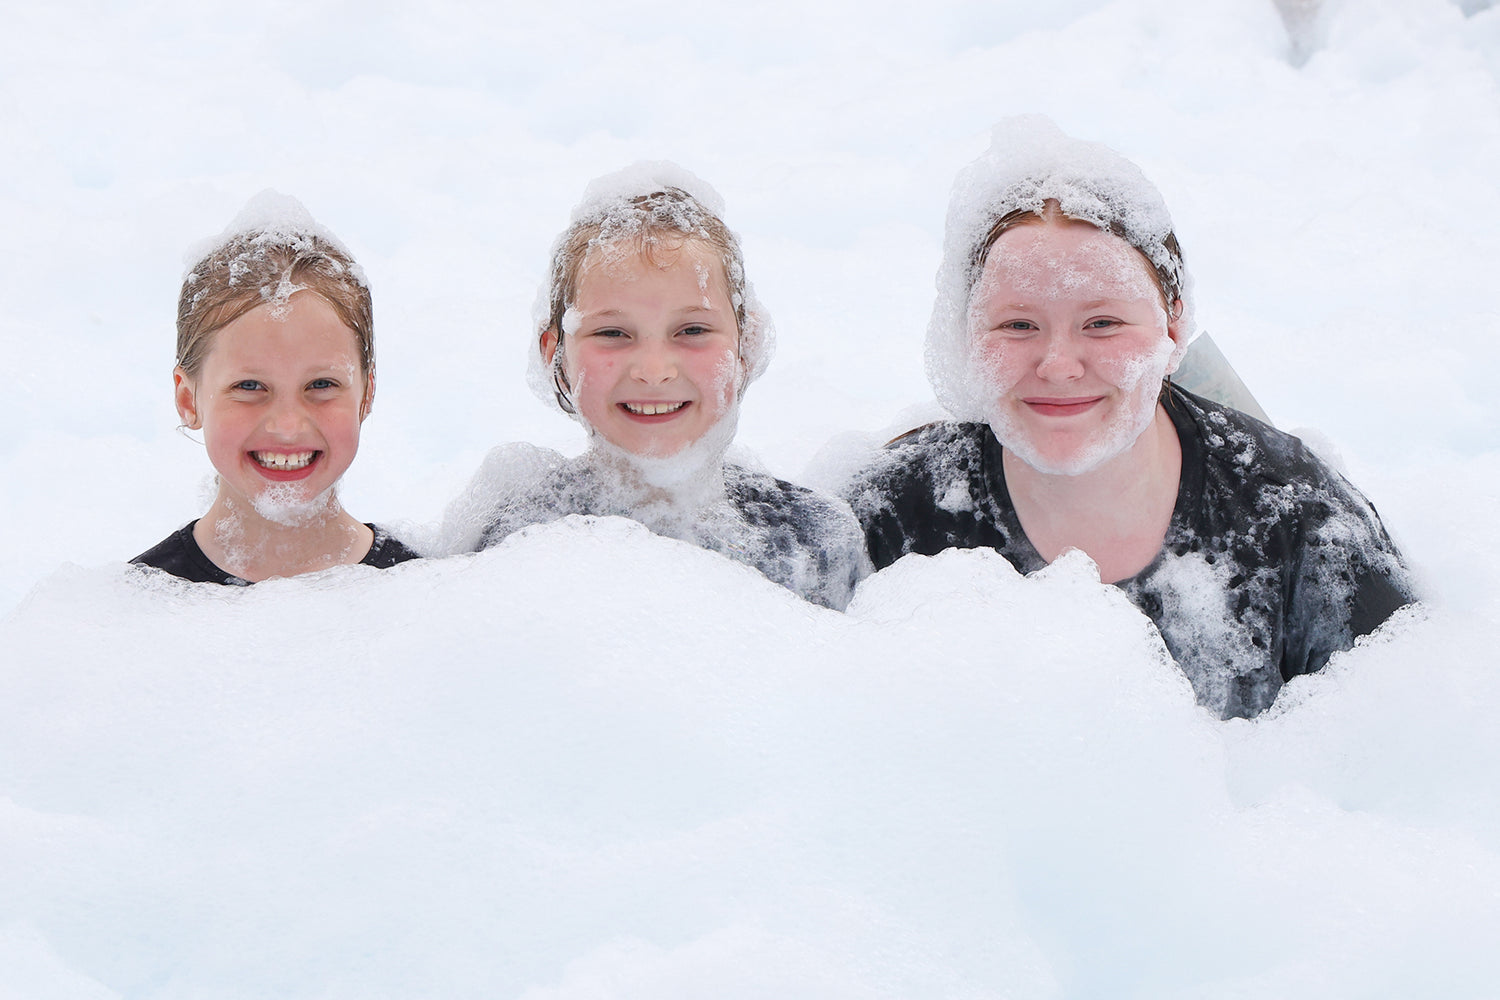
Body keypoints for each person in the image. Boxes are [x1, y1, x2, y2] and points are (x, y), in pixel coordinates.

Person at [841, 118, 1416, 718]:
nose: (1059, 365)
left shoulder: (1293, 516)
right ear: (966, 335)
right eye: (1017, 324)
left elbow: (1410, 761)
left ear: (1173, 325)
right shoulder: (896, 515)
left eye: (1103, 323)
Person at [441, 164, 867, 610]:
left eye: (692, 330)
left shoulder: (816, 541)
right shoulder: (514, 544)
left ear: (746, 348)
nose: (654, 370)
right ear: (556, 355)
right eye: (612, 334)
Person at [132, 192, 418, 584]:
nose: (287, 426)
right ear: (188, 398)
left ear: (366, 394)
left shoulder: (421, 588)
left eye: (321, 384)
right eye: (250, 386)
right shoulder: (136, 605)